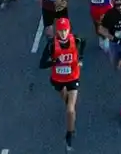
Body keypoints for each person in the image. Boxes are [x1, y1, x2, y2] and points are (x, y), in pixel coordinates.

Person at [39, 16, 84, 150]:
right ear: (56, 31)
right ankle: (71, 116)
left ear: (69, 29)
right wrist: (54, 62)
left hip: (72, 77)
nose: (63, 33)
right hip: (58, 79)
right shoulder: (52, 45)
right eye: (60, 31)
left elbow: (83, 44)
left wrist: (80, 58)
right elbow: (42, 64)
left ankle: (70, 133)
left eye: (65, 30)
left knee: (70, 109)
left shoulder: (76, 40)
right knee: (66, 101)